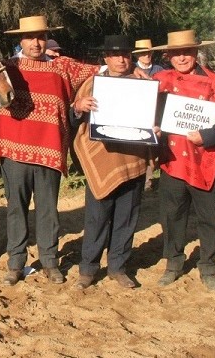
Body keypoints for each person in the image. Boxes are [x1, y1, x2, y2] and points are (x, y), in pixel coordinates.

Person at [0, 15, 100, 285]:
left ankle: (49, 261)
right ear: (20, 40)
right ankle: (16, 262)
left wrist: (134, 74)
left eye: (41, 37)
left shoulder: (63, 68)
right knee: (16, 209)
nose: (36, 42)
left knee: (48, 210)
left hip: (49, 151)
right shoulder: (7, 69)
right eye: (31, 37)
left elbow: (100, 73)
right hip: (15, 153)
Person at [151, 30, 215, 291]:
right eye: (176, 53)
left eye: (187, 52)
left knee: (210, 217)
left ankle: (208, 267)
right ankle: (173, 264)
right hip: (172, 161)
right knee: (172, 216)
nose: (182, 57)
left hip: (206, 161)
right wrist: (153, 127)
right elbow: (143, 108)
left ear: (196, 53)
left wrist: (207, 135)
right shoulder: (159, 80)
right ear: (168, 55)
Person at [69, 35, 155, 289]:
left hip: (133, 157)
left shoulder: (144, 83)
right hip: (103, 159)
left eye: (126, 54)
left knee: (127, 218)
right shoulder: (92, 84)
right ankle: (88, 269)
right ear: (105, 57)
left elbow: (154, 116)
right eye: (115, 55)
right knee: (97, 217)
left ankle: (118, 267)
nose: (121, 59)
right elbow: (74, 119)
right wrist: (78, 107)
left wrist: (155, 127)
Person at [133, 39, 164, 190]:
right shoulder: (131, 70)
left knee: (153, 146)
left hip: (156, 113)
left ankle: (149, 179)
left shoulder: (160, 70)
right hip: (137, 113)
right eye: (143, 53)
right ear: (137, 55)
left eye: (148, 53)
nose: (146, 56)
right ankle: (140, 179)